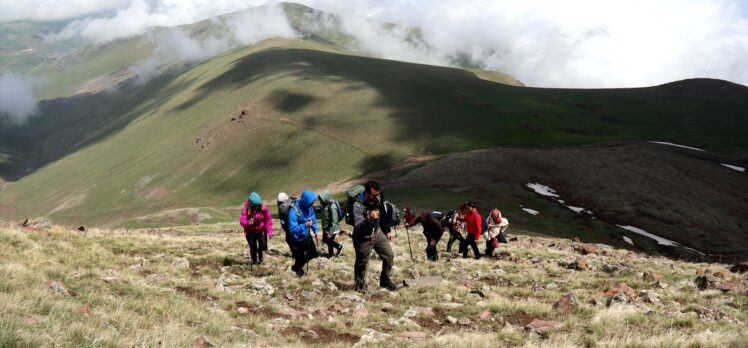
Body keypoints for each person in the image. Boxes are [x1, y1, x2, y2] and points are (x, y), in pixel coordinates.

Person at [352, 180, 398, 292]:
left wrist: (386, 230)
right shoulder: (357, 205)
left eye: (378, 194)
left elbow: (383, 214)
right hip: (362, 237)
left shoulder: (378, 198)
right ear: (367, 193)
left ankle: (385, 280)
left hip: (377, 233)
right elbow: (358, 226)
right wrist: (369, 217)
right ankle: (360, 284)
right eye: (374, 195)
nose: (377, 197)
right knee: (362, 262)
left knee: (389, 255)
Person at [287, 190, 319, 277]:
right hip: (297, 239)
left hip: (306, 235)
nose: (312, 205)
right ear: (305, 201)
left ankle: (298, 267)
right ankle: (297, 271)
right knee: (300, 259)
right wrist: (305, 225)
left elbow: (313, 219)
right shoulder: (293, 211)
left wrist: (316, 231)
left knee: (313, 254)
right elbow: (292, 230)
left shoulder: (309, 207)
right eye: (310, 203)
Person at [240, 192, 273, 265]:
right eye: (255, 206)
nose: (257, 207)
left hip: (260, 230)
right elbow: (242, 221)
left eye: (258, 205)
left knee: (264, 246)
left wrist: (269, 231)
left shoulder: (263, 208)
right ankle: (254, 262)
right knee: (253, 248)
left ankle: (259, 251)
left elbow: (268, 219)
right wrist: (248, 223)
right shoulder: (246, 209)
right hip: (250, 231)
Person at [318, 191, 344, 257]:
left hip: (332, 228)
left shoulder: (332, 206)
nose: (320, 200)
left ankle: (337, 249)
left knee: (329, 240)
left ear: (325, 198)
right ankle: (332, 252)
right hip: (326, 227)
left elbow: (334, 221)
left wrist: (331, 232)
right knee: (325, 240)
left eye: (321, 199)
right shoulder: (324, 204)